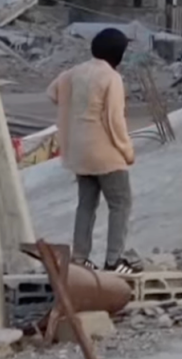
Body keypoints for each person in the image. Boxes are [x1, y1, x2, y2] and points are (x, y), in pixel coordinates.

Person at [47, 28, 138, 274]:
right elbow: (114, 120)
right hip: (105, 153)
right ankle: (114, 260)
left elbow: (53, 92)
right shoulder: (111, 77)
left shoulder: (74, 72)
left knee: (86, 204)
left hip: (78, 151)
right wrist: (127, 151)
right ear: (117, 53)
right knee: (120, 203)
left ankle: (79, 258)